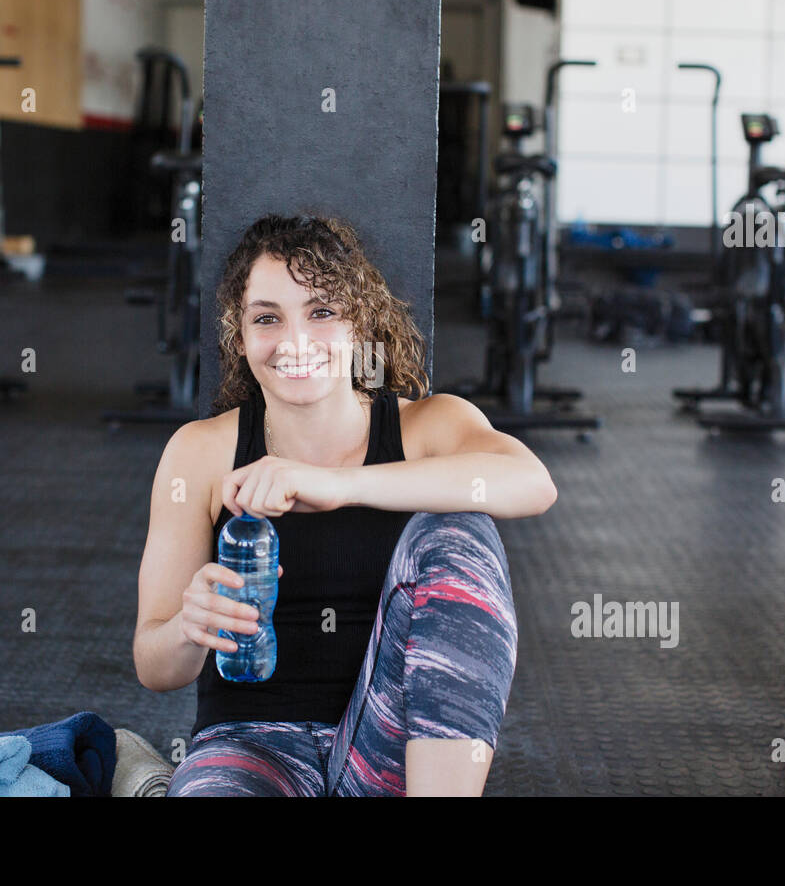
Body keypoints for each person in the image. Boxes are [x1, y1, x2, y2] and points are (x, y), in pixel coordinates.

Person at [133, 213, 558, 796]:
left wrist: (339, 485)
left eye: (322, 312)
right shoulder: (200, 452)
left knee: (458, 529)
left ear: (360, 321)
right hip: (249, 747)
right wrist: (190, 625)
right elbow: (154, 667)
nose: (295, 342)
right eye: (267, 318)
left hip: (389, 747)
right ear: (240, 333)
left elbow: (532, 483)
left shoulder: (431, 425)